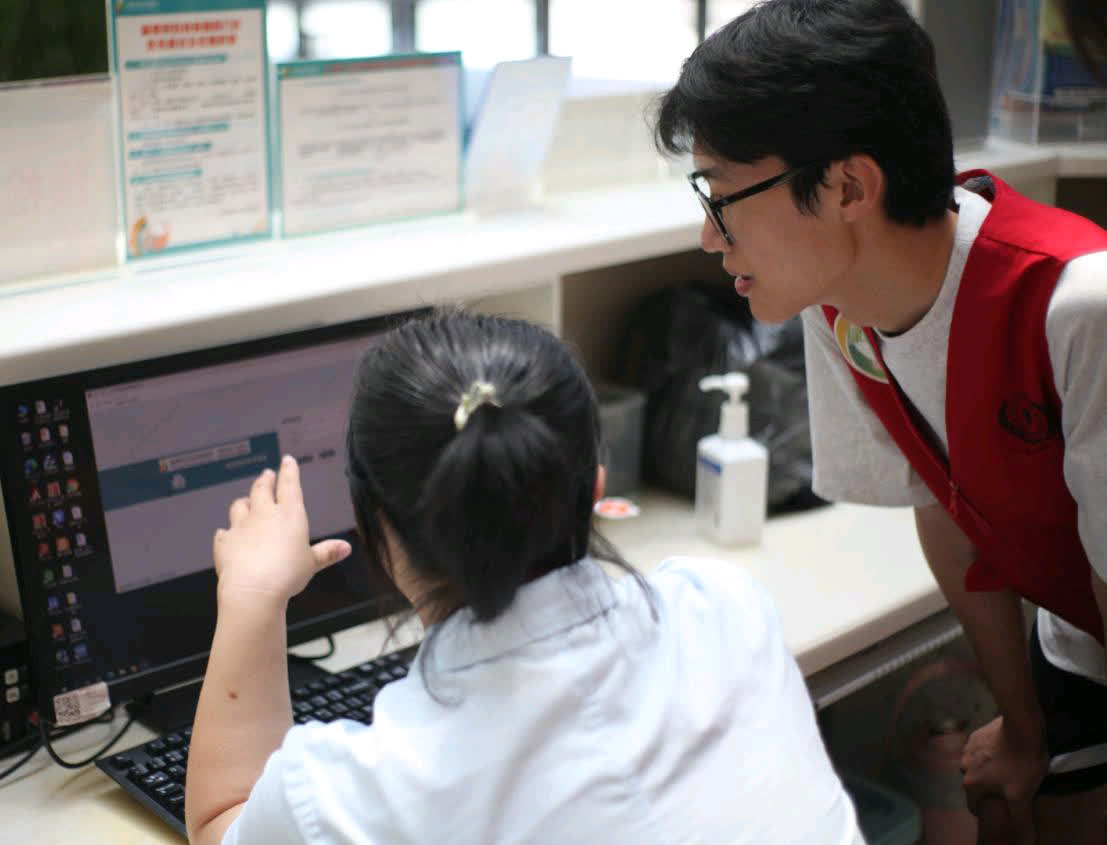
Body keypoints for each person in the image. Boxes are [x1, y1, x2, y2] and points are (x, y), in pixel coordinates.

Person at [654, 1, 1107, 842]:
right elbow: (945, 512)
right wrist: (1020, 721)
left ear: (848, 186)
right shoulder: (838, 308)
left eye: (721, 195)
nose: (708, 236)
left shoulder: (1076, 304)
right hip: (1074, 637)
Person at [183, 310, 863, 844]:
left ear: (375, 531)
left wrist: (250, 597)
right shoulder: (725, 607)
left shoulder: (367, 793)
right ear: (595, 487)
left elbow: (223, 820)